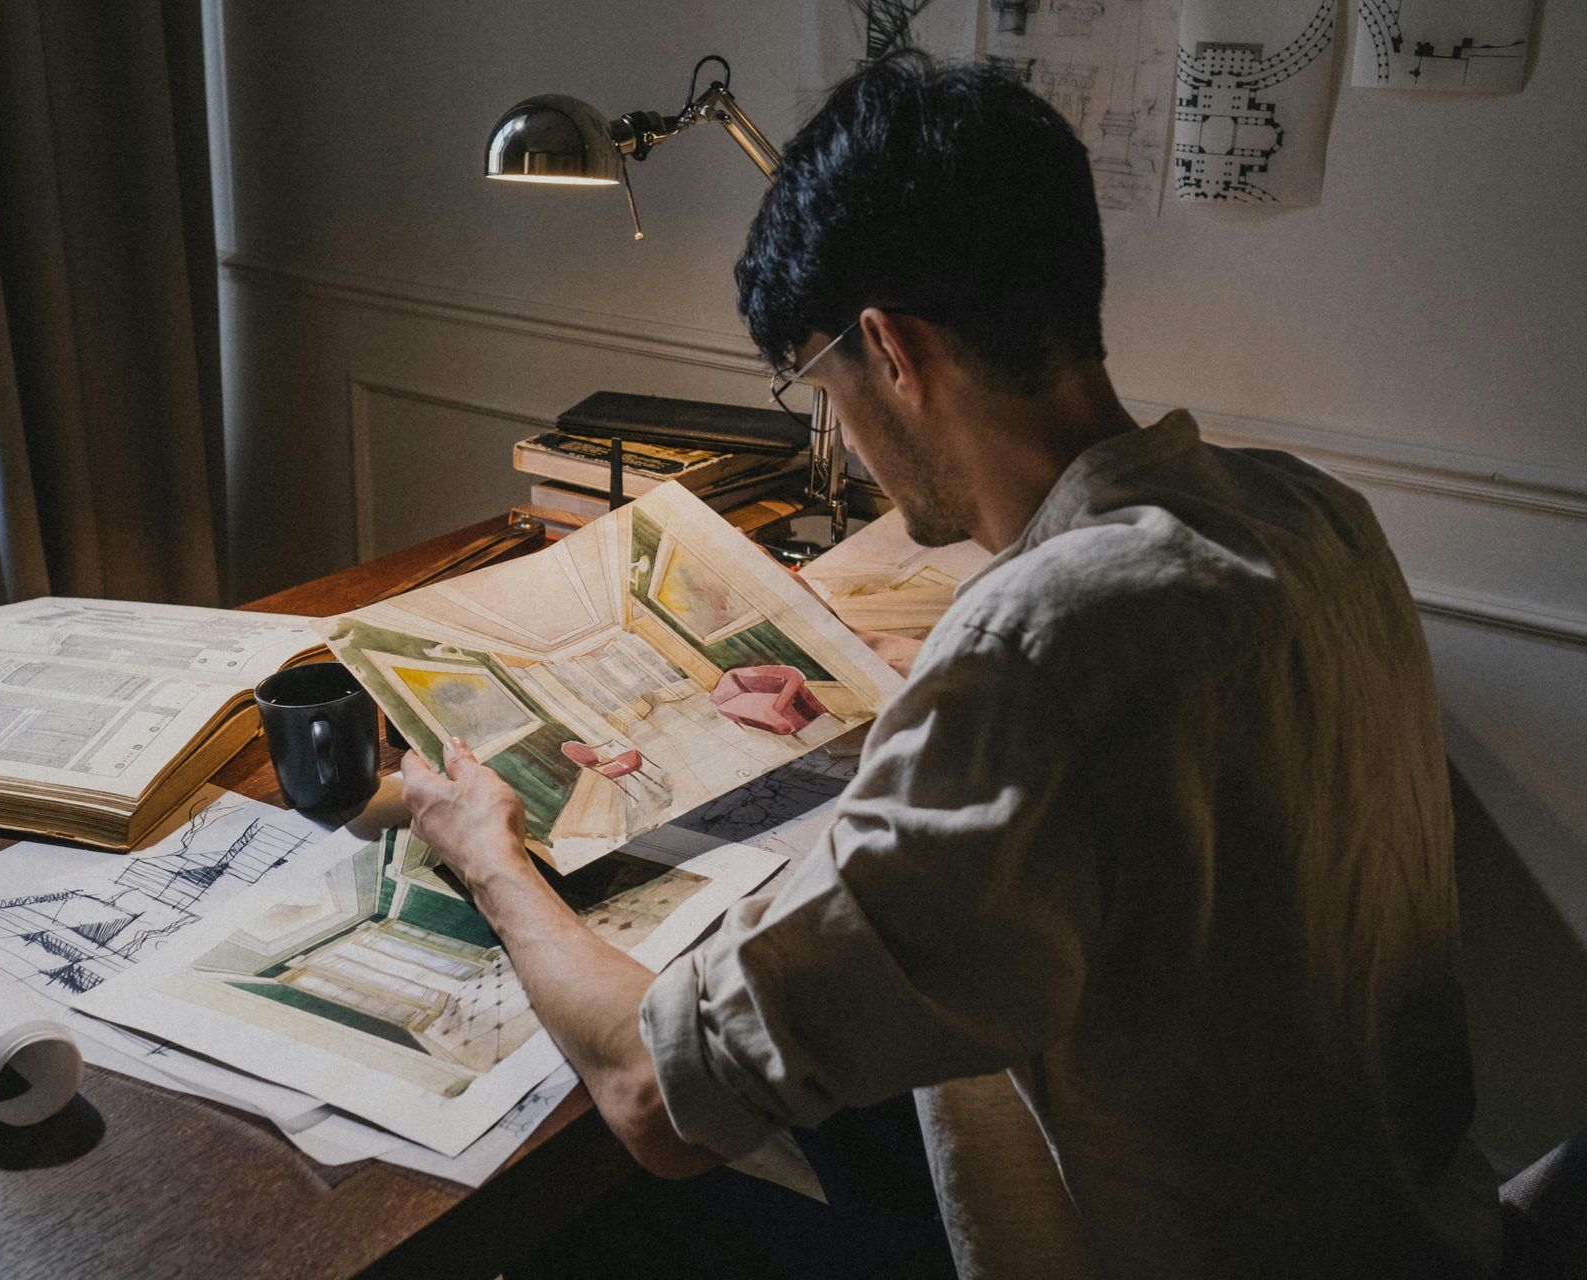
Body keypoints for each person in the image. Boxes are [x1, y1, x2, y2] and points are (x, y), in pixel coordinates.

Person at [402, 53, 1500, 1278]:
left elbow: (653, 1096)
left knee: (592, 1214)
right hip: (1422, 1235)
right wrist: (896, 712)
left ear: (891, 348)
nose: (848, 433)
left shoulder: (1036, 651)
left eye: (822, 380)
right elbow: (1149, 775)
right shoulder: (1313, 516)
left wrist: (487, 850)